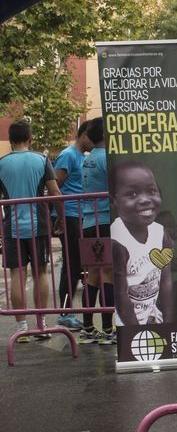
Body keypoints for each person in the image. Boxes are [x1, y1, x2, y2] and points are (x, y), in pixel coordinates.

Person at [0, 120, 61, 342]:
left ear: (10, 140)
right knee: (40, 273)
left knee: (17, 274)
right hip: (39, 226)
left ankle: (21, 328)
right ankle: (41, 324)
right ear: (30, 138)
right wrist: (61, 218)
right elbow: (55, 191)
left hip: (11, 227)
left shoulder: (1, 163)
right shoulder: (41, 160)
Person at [109, 162, 174, 326]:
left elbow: (166, 282)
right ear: (113, 201)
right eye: (132, 194)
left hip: (153, 319)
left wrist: (168, 323)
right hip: (129, 324)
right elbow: (121, 297)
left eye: (151, 191)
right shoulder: (117, 241)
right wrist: (136, 333)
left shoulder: (160, 233)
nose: (145, 200)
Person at [52, 120, 91, 330]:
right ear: (84, 135)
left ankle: (67, 312)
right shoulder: (68, 155)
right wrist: (58, 216)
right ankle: (66, 313)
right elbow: (55, 186)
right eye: (93, 138)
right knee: (72, 264)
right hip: (69, 214)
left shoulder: (82, 157)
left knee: (76, 263)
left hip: (80, 214)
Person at [79, 117, 115, 344]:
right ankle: (109, 330)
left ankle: (88, 328)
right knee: (107, 274)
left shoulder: (88, 159)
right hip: (104, 220)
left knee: (92, 274)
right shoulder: (107, 159)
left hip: (89, 221)